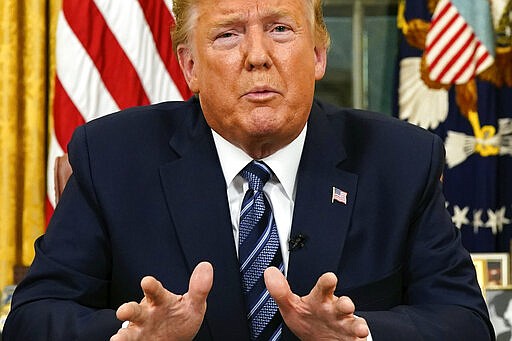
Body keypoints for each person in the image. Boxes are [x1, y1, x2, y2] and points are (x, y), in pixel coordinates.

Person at [3, 0, 494, 339]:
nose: (257, 57)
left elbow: (466, 322)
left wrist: (359, 334)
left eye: (280, 28)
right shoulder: (111, 157)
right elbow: (31, 321)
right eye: (228, 34)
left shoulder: (399, 160)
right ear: (189, 65)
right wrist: (131, 335)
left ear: (319, 54)